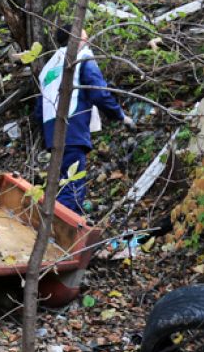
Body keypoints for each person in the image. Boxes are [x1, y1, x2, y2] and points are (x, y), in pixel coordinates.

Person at [35, 25, 134, 215]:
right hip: (72, 126)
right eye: (84, 38)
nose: (88, 41)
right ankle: (60, 232)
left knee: (62, 182)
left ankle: (55, 224)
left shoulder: (48, 67)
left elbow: (39, 111)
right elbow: (98, 92)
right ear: (74, 40)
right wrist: (120, 116)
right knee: (72, 186)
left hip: (51, 132)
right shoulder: (82, 57)